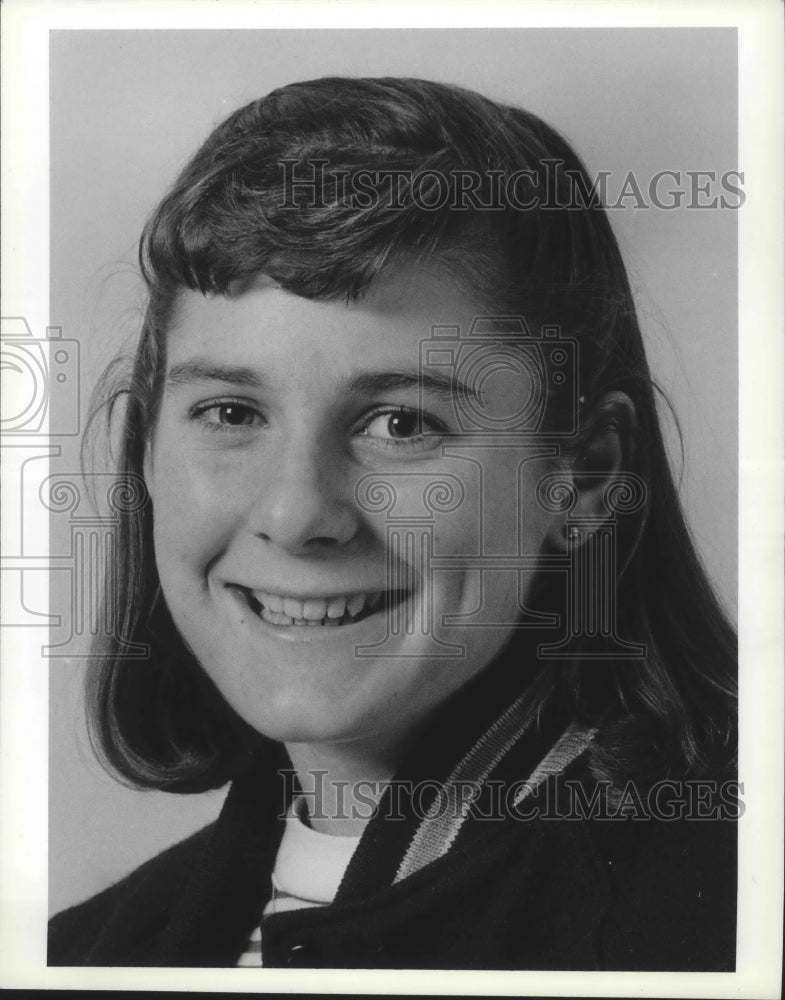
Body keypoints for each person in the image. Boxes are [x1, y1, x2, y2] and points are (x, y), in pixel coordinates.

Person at [48, 76, 737, 970]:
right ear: (144, 447)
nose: (297, 515)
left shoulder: (723, 918)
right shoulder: (83, 953)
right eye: (230, 414)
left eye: (402, 424)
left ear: (584, 477)